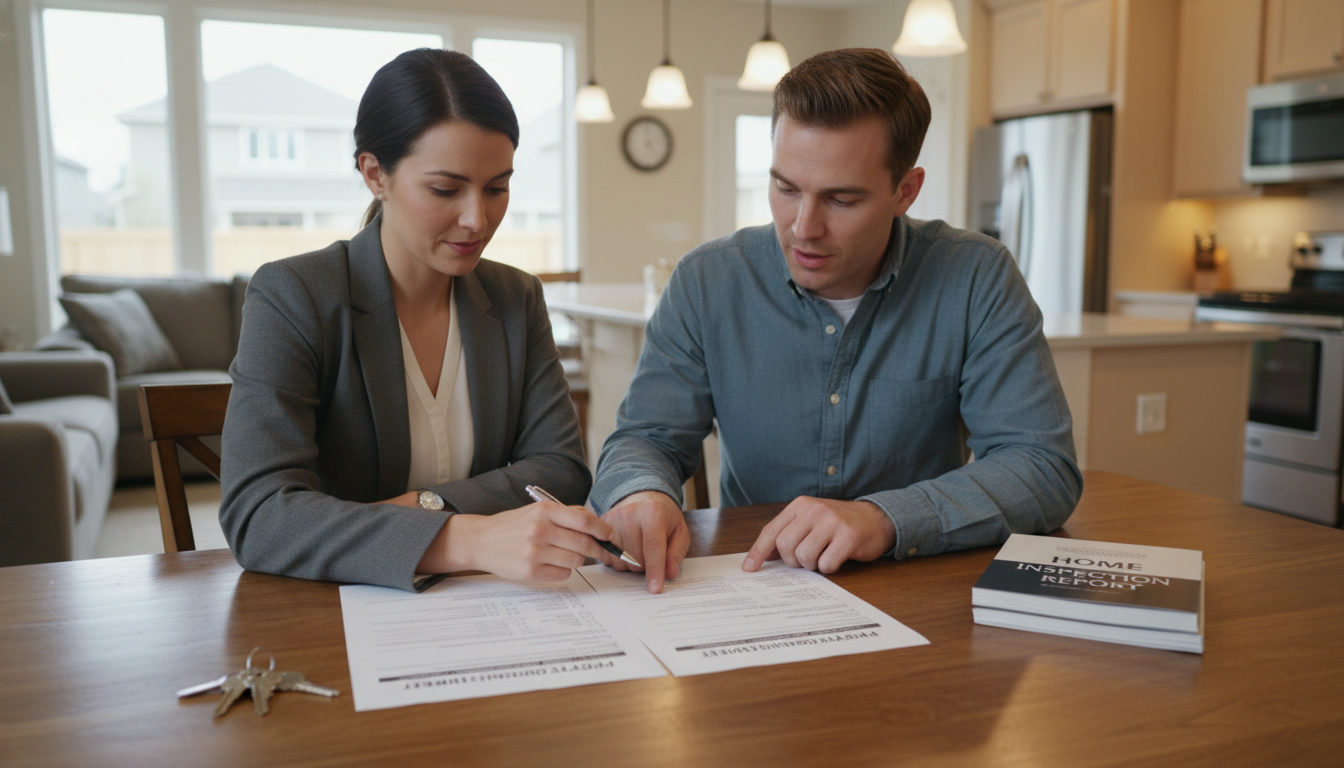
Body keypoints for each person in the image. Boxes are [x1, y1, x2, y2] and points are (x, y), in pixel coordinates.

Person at [589, 48, 1083, 593]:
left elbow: (1041, 466)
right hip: (756, 587)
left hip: (919, 590)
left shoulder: (975, 277)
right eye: (785, 188)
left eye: (841, 199)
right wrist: (641, 493)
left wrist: (884, 518)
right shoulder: (708, 280)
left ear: (905, 191)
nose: (803, 227)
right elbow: (647, 438)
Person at [220, 49, 608, 592]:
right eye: (445, 189)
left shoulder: (516, 297)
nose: (478, 219)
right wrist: (464, 537)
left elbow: (560, 470)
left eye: (497, 187)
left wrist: (421, 507)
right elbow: (259, 518)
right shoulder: (295, 295)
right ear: (375, 174)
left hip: (490, 601)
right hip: (338, 611)